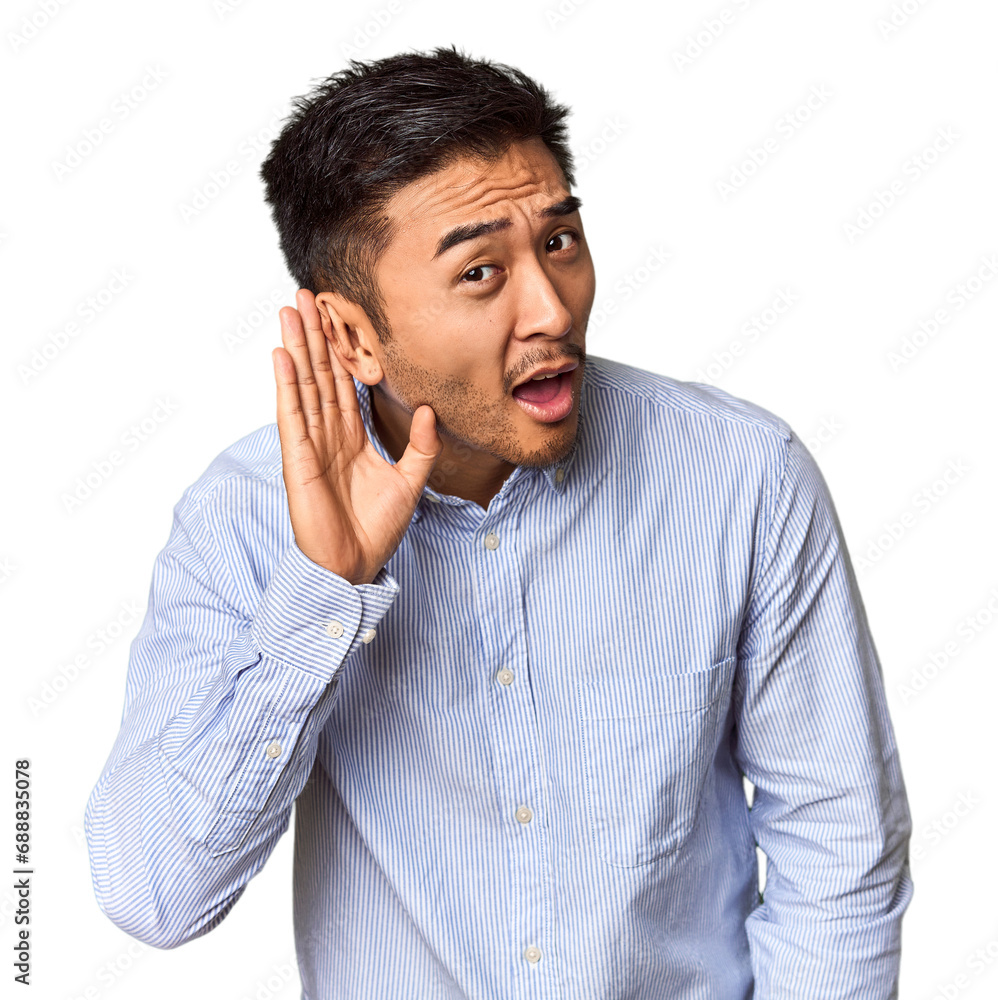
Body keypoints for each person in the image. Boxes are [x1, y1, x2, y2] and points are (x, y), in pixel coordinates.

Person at [85, 45, 913, 999]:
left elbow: (840, 849)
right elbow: (155, 895)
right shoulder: (242, 517)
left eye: (559, 241)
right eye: (481, 272)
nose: (551, 310)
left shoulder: (742, 477)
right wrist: (324, 596)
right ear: (350, 335)